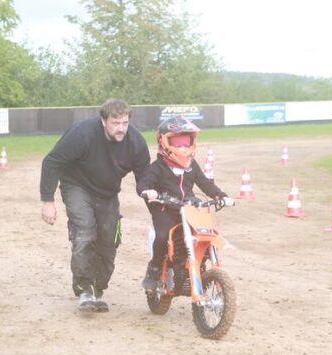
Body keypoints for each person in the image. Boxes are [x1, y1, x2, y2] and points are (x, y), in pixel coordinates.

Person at [40, 98, 151, 312]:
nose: (121, 129)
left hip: (108, 192)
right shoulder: (82, 134)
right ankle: (84, 290)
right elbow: (52, 161)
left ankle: (96, 289)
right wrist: (48, 201)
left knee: (109, 243)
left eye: (125, 123)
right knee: (84, 232)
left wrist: (152, 196)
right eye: (115, 123)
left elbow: (145, 176)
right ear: (103, 121)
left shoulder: (135, 143)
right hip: (77, 186)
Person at [136, 116, 234, 292]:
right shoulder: (158, 166)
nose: (182, 146)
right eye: (177, 141)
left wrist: (221, 196)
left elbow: (205, 184)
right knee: (163, 236)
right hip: (165, 209)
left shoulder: (192, 165)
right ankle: (154, 270)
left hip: (190, 209)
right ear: (163, 141)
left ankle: (199, 265)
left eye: (186, 141)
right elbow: (143, 184)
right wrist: (148, 191)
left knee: (205, 235)